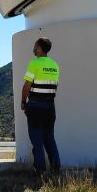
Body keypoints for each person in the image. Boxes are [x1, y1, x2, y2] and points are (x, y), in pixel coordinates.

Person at [21, 37, 61, 173]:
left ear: (38, 47)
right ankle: (56, 169)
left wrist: (23, 102)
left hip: (36, 107)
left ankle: (40, 171)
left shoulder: (35, 63)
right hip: (51, 107)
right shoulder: (55, 65)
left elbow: (27, 86)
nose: (33, 48)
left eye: (34, 46)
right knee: (50, 139)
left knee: (37, 140)